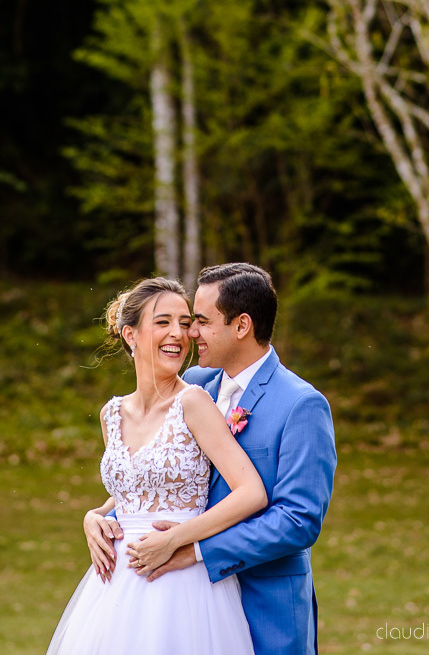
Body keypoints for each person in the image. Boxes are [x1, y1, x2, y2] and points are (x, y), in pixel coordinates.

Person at [85, 263, 337, 655]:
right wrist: (100, 517)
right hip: (175, 596)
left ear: (241, 326)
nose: (189, 333)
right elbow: (161, 478)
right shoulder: (195, 386)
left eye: (199, 321)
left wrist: (197, 550)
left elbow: (298, 521)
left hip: (263, 600)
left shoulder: (300, 405)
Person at [42, 275, 267, 655]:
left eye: (184, 323)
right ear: (130, 335)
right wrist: (94, 515)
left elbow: (251, 492)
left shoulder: (193, 402)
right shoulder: (111, 413)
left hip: (182, 582)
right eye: (163, 322)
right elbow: (134, 486)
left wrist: (177, 539)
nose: (178, 334)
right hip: (114, 586)